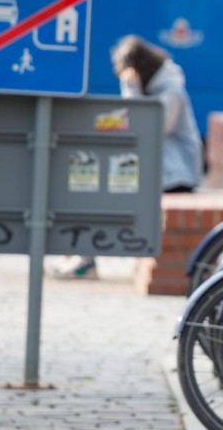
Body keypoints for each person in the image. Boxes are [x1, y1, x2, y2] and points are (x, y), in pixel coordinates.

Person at [53, 35, 203, 279]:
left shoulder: (171, 91)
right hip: (158, 172)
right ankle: (81, 253)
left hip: (176, 177)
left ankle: (85, 259)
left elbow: (150, 126)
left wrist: (130, 89)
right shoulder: (156, 90)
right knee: (89, 186)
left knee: (100, 193)